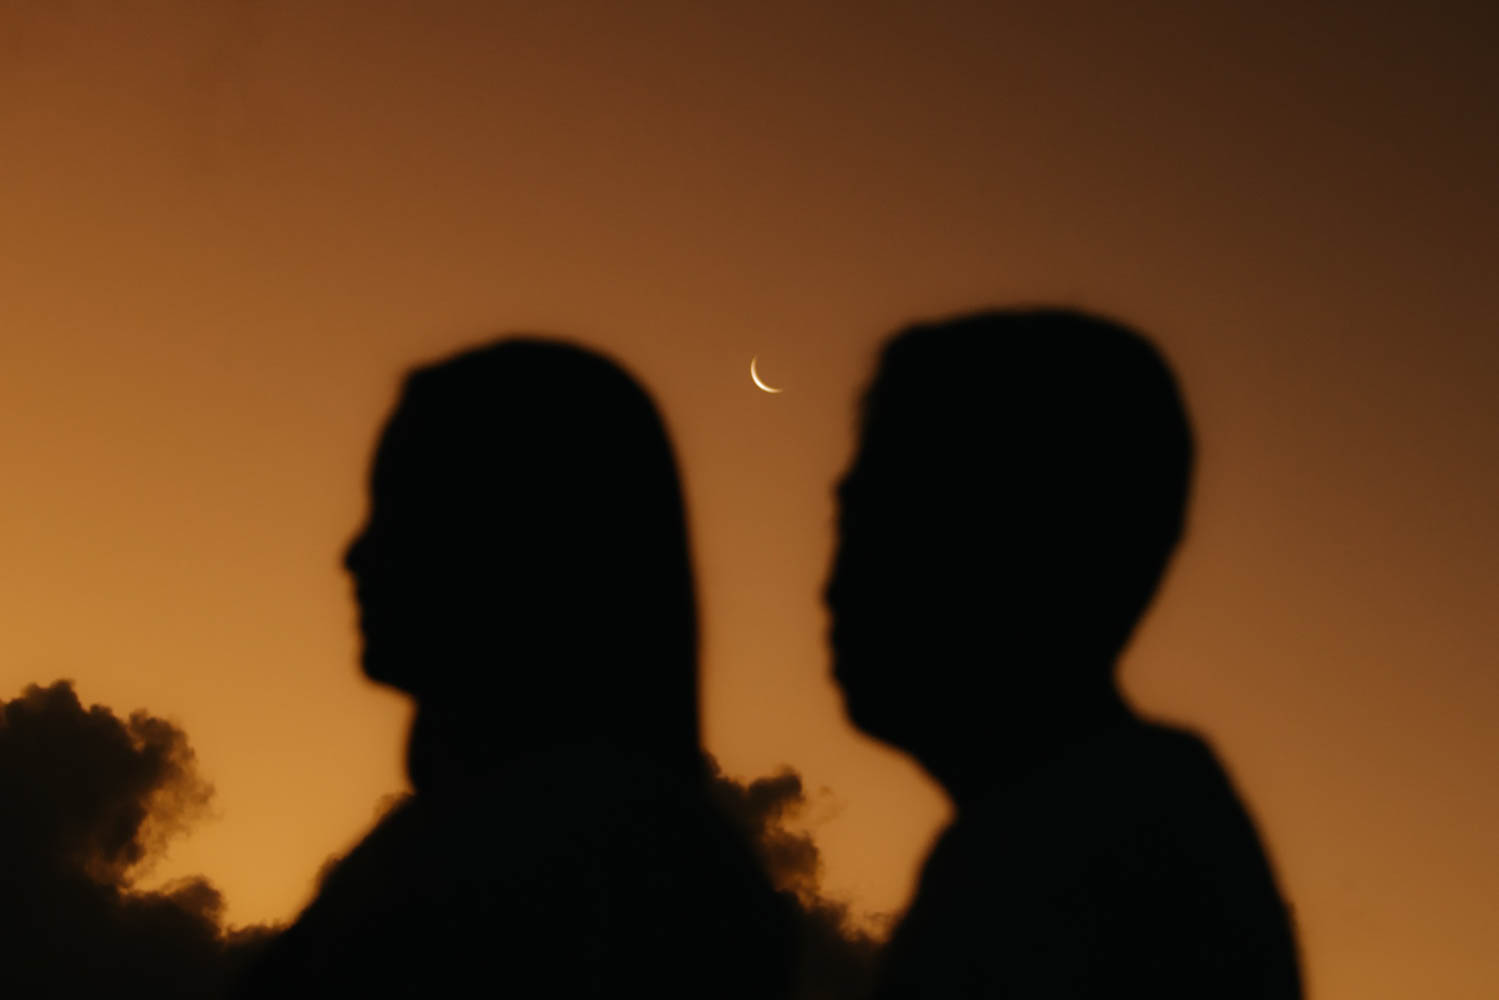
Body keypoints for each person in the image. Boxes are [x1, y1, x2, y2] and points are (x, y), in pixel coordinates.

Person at [242, 338, 794, 998]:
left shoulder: (554, 863)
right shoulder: (615, 847)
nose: (354, 553)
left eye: (401, 507)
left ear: (513, 534)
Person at [826, 309, 1302, 998]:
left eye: (880, 521)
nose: (833, 585)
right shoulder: (1120, 824)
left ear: (1017, 550)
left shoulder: (1062, 864)